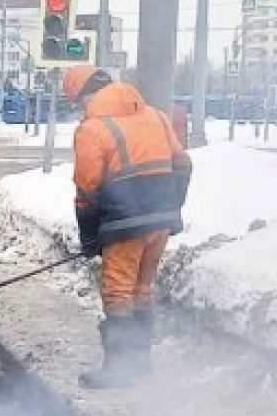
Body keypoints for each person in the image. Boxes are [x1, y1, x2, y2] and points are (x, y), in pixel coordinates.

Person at [63, 66, 193, 389]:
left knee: (118, 291)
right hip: (160, 221)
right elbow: (183, 163)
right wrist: (172, 204)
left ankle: (120, 370)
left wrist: (89, 237)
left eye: (79, 103)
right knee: (142, 289)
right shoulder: (157, 117)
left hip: (124, 223)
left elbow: (87, 189)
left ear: (86, 96)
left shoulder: (93, 130)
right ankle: (140, 362)